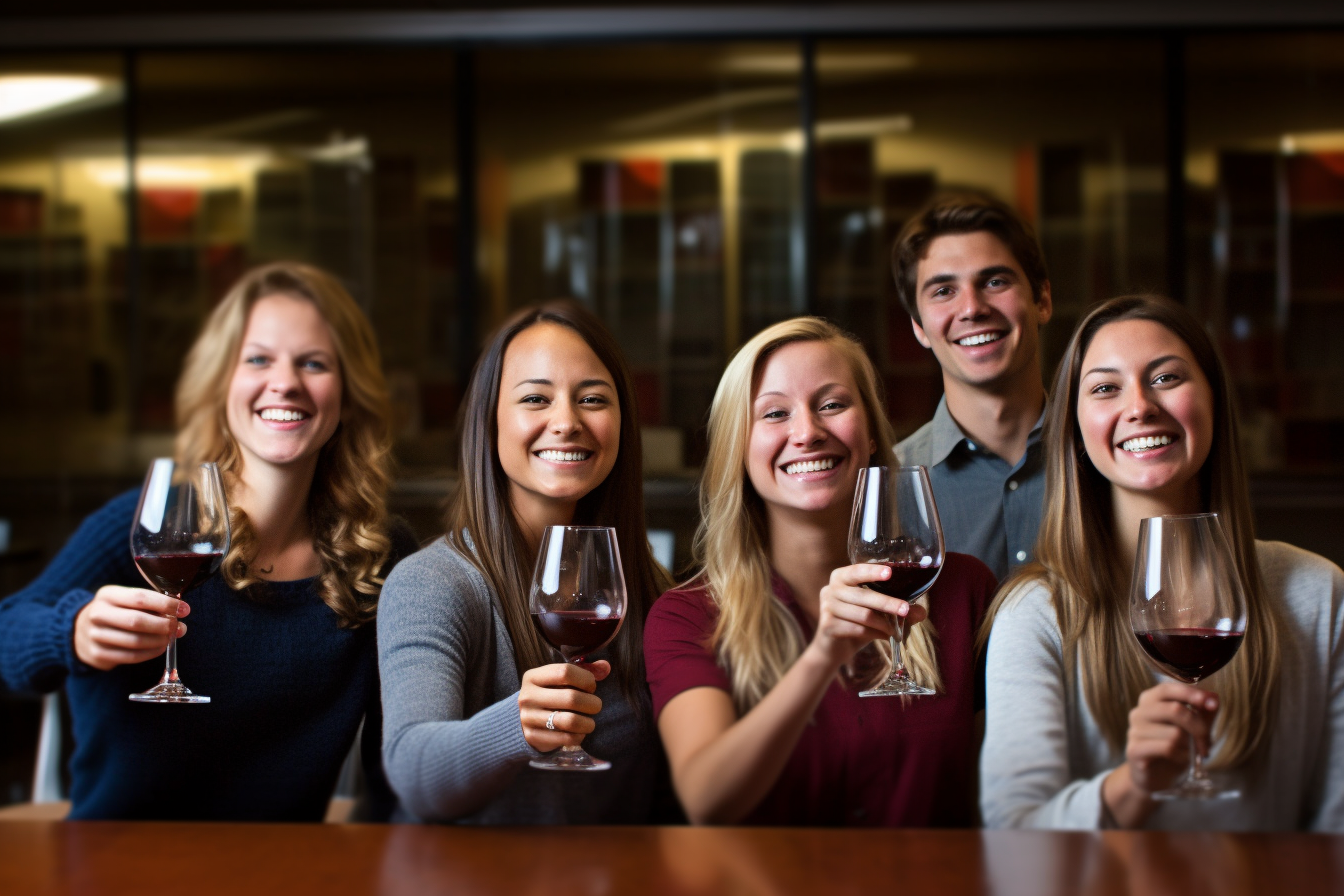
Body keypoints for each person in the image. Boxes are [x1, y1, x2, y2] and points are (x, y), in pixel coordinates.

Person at [0, 261, 417, 821]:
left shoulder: (383, 555)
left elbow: (398, 772)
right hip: (118, 866)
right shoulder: (142, 524)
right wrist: (68, 632)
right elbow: (8, 636)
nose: (286, 382)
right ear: (223, 381)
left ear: (349, 391)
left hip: (283, 872)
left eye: (313, 363)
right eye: (258, 359)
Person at [979, 295, 1344, 831]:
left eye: (1167, 378)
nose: (1140, 407)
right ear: (1075, 429)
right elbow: (1015, 832)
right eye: (1105, 387)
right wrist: (1133, 786)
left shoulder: (1321, 594)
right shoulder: (1034, 615)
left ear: (1214, 401)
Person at [644, 317, 998, 826]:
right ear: (737, 450)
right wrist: (823, 655)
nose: (807, 432)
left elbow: (1001, 805)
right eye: (774, 414)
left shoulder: (965, 591)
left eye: (832, 404)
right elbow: (707, 799)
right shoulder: (686, 618)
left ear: (872, 432)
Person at [378, 300, 673, 824]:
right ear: (489, 421)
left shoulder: (647, 587)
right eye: (536, 398)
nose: (566, 421)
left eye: (592, 399)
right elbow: (414, 773)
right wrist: (517, 727)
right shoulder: (433, 582)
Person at [891, 192, 1053, 581]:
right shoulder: (888, 491)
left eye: (995, 281)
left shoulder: (1108, 461)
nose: (972, 308)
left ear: (1042, 300)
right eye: (944, 291)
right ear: (918, 326)